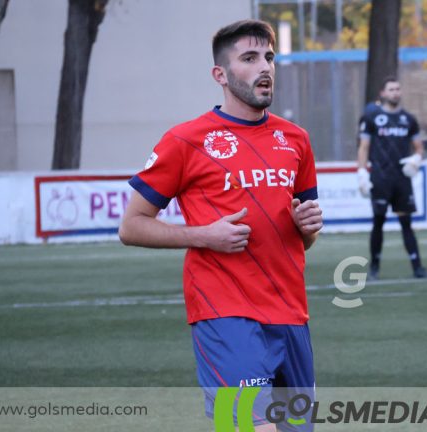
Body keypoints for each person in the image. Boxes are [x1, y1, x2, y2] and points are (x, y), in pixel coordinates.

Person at [119, 20, 322, 431]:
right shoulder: (186, 140)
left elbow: (306, 237)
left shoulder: (295, 139)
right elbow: (132, 226)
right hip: (225, 312)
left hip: (291, 313)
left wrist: (308, 226)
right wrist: (203, 236)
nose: (264, 67)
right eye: (248, 58)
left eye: (268, 57)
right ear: (221, 75)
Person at [357, 77, 427, 280]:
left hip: (401, 180)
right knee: (378, 221)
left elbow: (419, 148)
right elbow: (364, 147)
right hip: (380, 178)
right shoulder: (371, 118)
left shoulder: (408, 119)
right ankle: (374, 268)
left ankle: (418, 267)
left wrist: (416, 159)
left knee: (406, 222)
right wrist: (362, 171)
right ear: (383, 93)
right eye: (391, 89)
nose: (395, 92)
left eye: (398, 89)